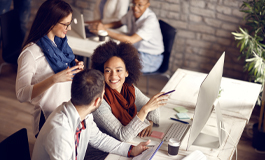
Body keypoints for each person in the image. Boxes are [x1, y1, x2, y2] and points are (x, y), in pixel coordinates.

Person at [31, 69, 152, 160]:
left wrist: (131, 150)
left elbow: (99, 139)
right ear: (96, 102)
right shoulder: (60, 132)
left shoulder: (82, 113)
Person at [15, 0, 84, 137]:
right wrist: (54, 79)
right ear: (51, 22)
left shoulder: (61, 45)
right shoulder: (30, 54)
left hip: (68, 112)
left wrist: (75, 68)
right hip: (47, 118)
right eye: (65, 24)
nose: (69, 28)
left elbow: (66, 78)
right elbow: (21, 94)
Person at [91, 40, 168, 142]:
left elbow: (153, 107)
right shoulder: (99, 101)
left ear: (127, 72)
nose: (113, 76)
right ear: (101, 73)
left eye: (118, 70)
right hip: (104, 152)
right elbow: (123, 135)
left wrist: (149, 122)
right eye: (108, 71)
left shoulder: (129, 88)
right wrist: (144, 111)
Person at [89, 0, 164, 73]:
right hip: (137, 51)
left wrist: (105, 31)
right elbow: (119, 23)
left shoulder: (151, 20)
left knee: (116, 63)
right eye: (133, 4)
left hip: (151, 58)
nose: (135, 8)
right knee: (111, 57)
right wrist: (103, 27)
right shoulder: (132, 11)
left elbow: (131, 40)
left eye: (140, 5)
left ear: (147, 5)